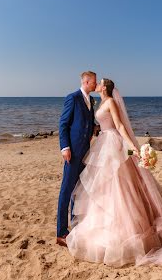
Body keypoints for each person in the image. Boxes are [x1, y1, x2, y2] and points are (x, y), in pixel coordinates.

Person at [65, 78, 162, 267]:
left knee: (117, 183)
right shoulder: (101, 102)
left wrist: (133, 146)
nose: (97, 85)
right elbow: (104, 123)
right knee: (103, 183)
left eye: (100, 83)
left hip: (113, 143)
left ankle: (123, 230)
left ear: (105, 88)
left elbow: (119, 126)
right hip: (103, 141)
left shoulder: (110, 102)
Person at [56, 71, 99, 246]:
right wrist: (65, 148)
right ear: (86, 82)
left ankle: (75, 225)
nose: (96, 86)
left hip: (85, 152)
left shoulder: (91, 101)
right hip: (72, 152)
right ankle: (61, 233)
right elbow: (63, 124)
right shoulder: (72, 98)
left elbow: (87, 124)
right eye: (94, 83)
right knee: (66, 190)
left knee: (79, 189)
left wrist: (96, 128)